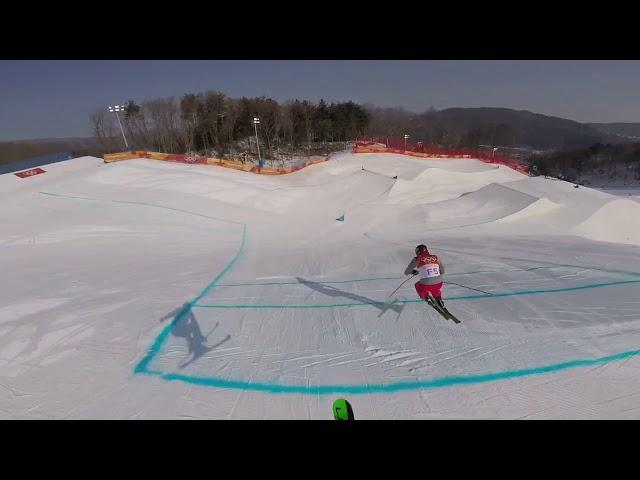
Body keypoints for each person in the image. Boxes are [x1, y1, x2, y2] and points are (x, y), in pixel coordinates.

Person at [404, 244, 446, 308]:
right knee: (435, 288)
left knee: (417, 285)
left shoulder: (417, 259)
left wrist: (414, 272)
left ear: (418, 252)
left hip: (425, 285)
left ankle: (426, 298)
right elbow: (442, 271)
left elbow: (407, 272)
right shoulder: (435, 257)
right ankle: (439, 300)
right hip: (439, 283)